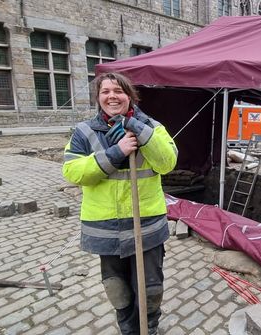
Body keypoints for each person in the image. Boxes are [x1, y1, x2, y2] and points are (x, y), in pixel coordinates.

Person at [62, 72, 178, 335]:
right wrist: (117, 152)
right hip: (106, 227)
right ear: (98, 97)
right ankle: (128, 330)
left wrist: (137, 128)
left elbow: (167, 162)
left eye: (118, 91)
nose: (112, 96)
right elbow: (73, 172)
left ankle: (149, 328)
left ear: (130, 96)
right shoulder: (84, 131)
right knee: (117, 288)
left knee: (150, 289)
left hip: (146, 225)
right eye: (105, 91)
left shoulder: (152, 126)